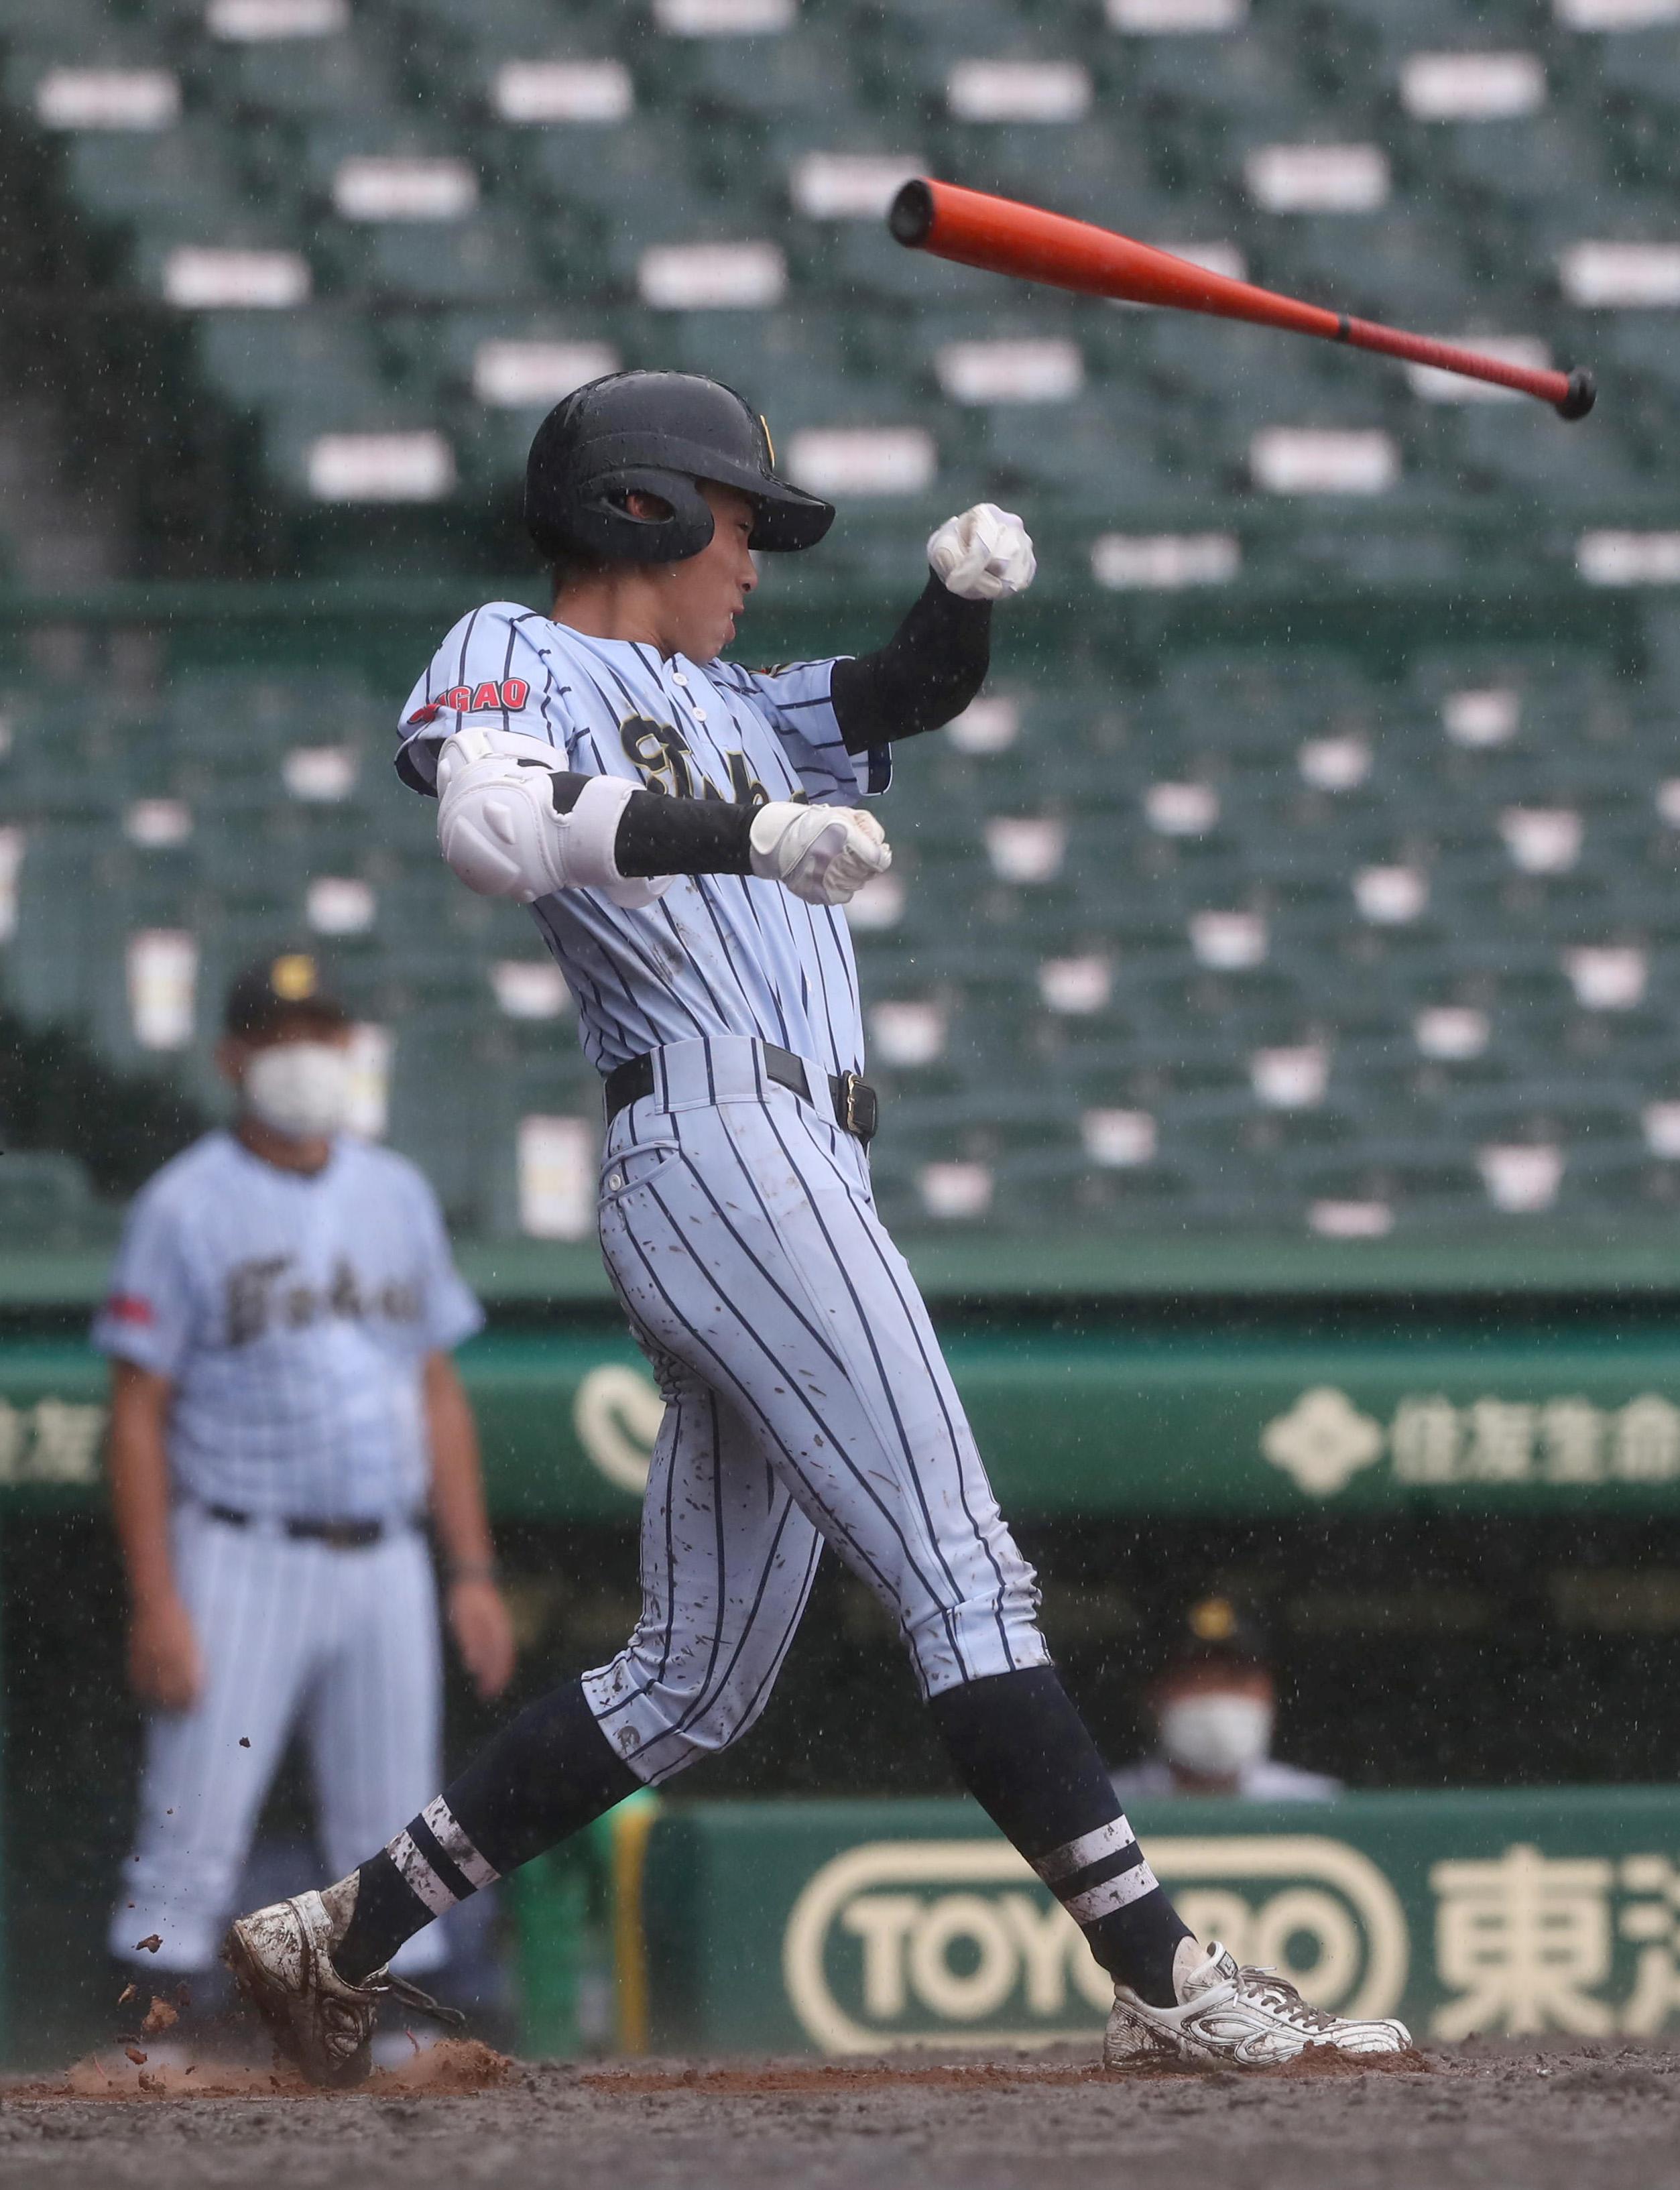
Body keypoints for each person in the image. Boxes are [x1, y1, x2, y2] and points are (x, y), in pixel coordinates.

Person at [225, 371, 1408, 2077]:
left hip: (792, 1155)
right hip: (716, 1131)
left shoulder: (738, 701)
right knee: (961, 1565)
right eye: (739, 521)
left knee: (693, 1676)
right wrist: (749, 831)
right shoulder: (519, 645)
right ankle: (1165, 1968)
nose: (757, 560)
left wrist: (965, 599)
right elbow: (492, 823)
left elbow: (901, 692)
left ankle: (336, 1935)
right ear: (639, 508)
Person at [97, 954, 516, 2036]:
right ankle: (155, 2036)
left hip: (384, 1553)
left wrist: (468, 1567)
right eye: (281, 1035)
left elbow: (436, 1385)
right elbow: (136, 1410)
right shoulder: (183, 1202)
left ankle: (398, 2029)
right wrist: (157, 1599)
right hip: (240, 1547)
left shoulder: (397, 1191)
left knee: (391, 1824)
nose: (306, 1056)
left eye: (323, 1032)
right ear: (233, 1056)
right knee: (193, 1816)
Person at [1111, 1599, 1339, 1805]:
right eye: (1196, 1680)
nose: (1216, 1696)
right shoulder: (1102, 1810)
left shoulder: (1317, 1808)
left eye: (1236, 1679)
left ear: (1270, 1692)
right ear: (1153, 1696)